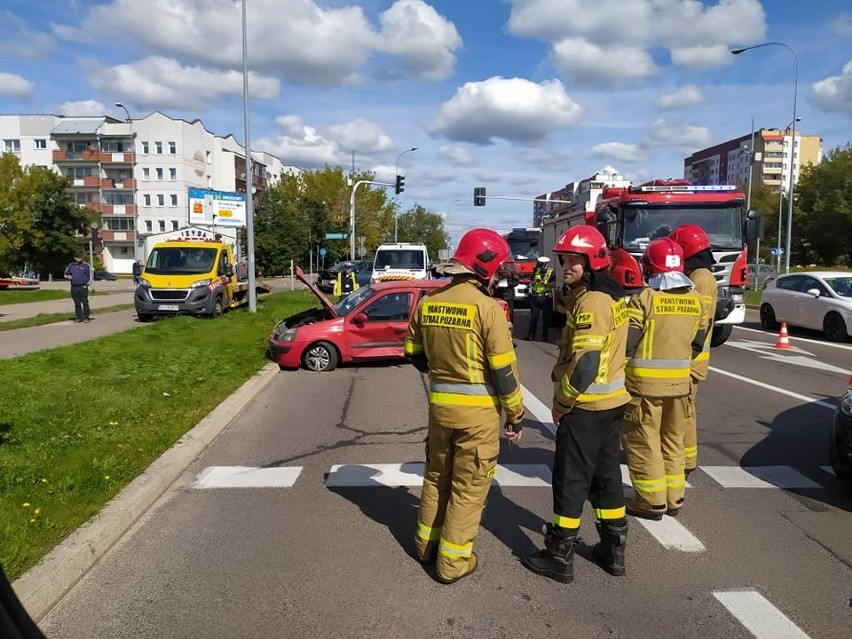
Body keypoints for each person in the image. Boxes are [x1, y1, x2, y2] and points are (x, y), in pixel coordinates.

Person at [404, 228, 524, 584]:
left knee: (437, 478)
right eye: (498, 267)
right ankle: (452, 564)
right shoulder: (488, 309)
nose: (500, 275)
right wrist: (516, 415)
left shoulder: (429, 303)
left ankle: (426, 547)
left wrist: (443, 375)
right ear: (484, 265)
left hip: (440, 414)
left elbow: (412, 354)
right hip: (478, 419)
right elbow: (503, 373)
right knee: (468, 489)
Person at [523, 226, 631, 583]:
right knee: (606, 477)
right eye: (564, 259)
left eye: (574, 260)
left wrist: (563, 402)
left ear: (593, 262)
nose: (566, 266)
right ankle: (612, 548)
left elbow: (586, 363)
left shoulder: (592, 302)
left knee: (570, 479)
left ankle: (560, 553)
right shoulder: (611, 296)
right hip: (611, 404)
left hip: (585, 408)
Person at [621, 238, 707, 520]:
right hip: (680, 387)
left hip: (644, 388)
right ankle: (674, 498)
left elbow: (628, 343)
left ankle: (651, 501)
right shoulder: (696, 300)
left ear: (649, 266)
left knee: (644, 442)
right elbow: (697, 342)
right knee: (673, 441)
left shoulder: (645, 298)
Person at [669, 225, 717, 476]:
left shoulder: (700, 280)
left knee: (684, 413)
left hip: (691, 360)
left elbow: (698, 321)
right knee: (685, 411)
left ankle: (685, 462)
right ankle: (685, 458)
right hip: (691, 358)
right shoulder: (700, 276)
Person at [526, 256, 555, 341]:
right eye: (540, 264)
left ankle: (545, 336)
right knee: (533, 318)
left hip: (546, 298)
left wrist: (544, 283)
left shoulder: (551, 272)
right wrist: (535, 281)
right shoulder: (536, 270)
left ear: (546, 264)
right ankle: (531, 335)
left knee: (546, 318)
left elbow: (553, 284)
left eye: (543, 264)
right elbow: (531, 282)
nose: (541, 266)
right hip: (536, 297)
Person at [64, 252, 93, 323]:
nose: (78, 258)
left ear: (82, 258)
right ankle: (79, 317)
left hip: (82, 286)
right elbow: (65, 274)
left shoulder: (86, 266)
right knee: (77, 303)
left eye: (79, 257)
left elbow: (90, 277)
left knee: (85, 302)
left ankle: (86, 317)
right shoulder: (71, 265)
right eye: (77, 257)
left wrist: (86, 285)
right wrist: (68, 276)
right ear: (74, 258)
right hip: (74, 287)